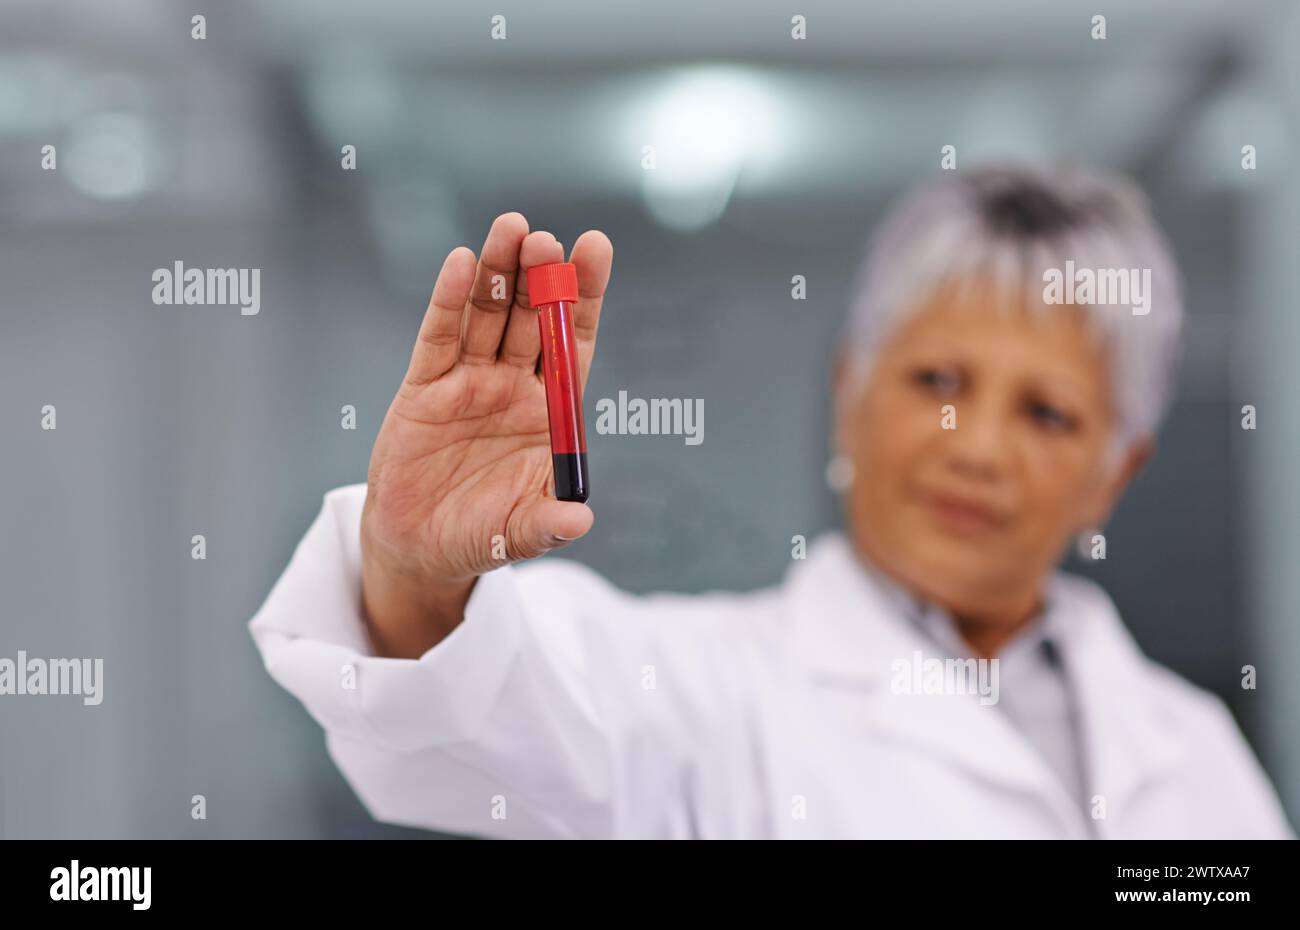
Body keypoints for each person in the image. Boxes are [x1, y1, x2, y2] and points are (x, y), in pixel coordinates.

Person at [249, 165, 1293, 839]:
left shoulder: (1190, 747)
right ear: (849, 394)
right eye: (936, 382)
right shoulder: (709, 695)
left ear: (1116, 472)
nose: (973, 446)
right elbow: (496, 708)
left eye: (1047, 414)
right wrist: (420, 574)